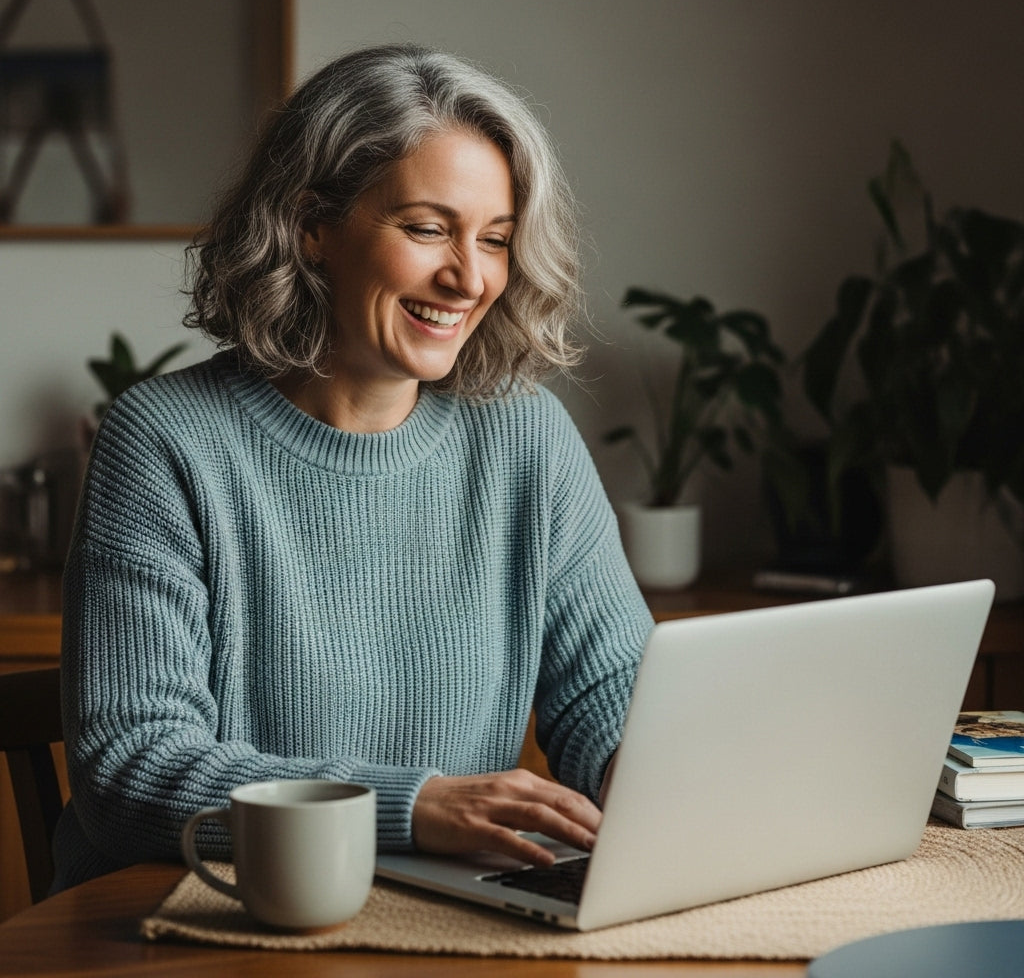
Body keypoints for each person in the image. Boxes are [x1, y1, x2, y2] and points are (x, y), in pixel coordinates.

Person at [53, 44, 653, 891]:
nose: (469, 277)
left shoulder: (528, 440)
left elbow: (610, 696)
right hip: (200, 917)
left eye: (495, 239)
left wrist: (645, 769)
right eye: (427, 229)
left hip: (438, 913)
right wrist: (410, 809)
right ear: (311, 228)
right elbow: (131, 768)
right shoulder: (163, 442)